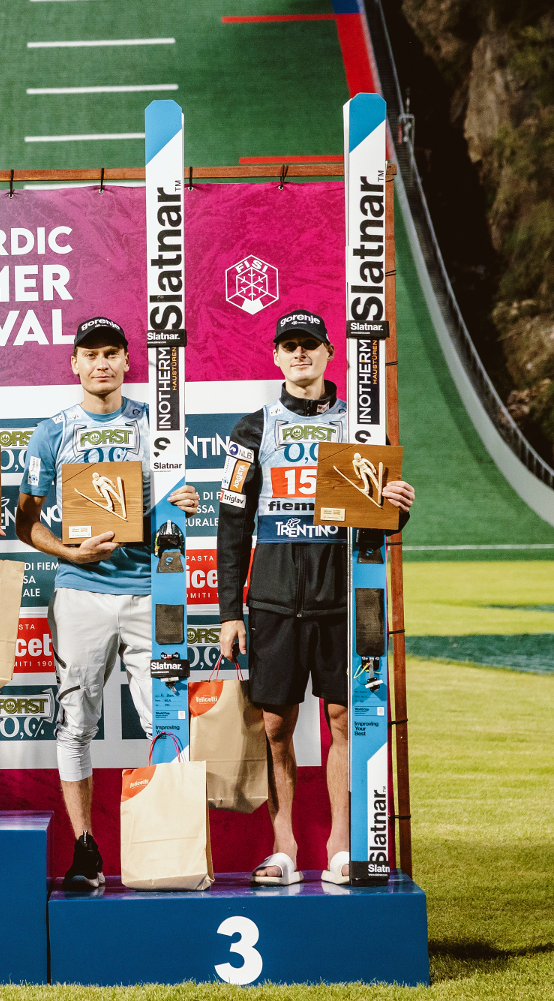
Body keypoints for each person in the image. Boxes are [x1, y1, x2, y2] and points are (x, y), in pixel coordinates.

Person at [217, 309, 413, 886]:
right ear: (276, 356)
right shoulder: (251, 430)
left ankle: (340, 847)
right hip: (274, 601)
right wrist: (230, 612)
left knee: (344, 719)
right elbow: (232, 524)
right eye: (289, 345)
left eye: (310, 344)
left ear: (330, 353)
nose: (299, 353)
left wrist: (398, 510)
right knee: (275, 726)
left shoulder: (361, 426)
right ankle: (284, 848)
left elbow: (380, 522)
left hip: (341, 601)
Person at [14, 316, 200, 889]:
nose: (101, 363)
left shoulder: (158, 425)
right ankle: (86, 851)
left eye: (111, 353)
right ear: (74, 363)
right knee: (74, 725)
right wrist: (69, 553)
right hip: (81, 593)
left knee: (167, 721)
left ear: (126, 361)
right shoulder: (52, 431)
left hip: (152, 591)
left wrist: (185, 500)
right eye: (90, 354)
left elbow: (175, 501)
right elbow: (24, 523)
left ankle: (172, 855)